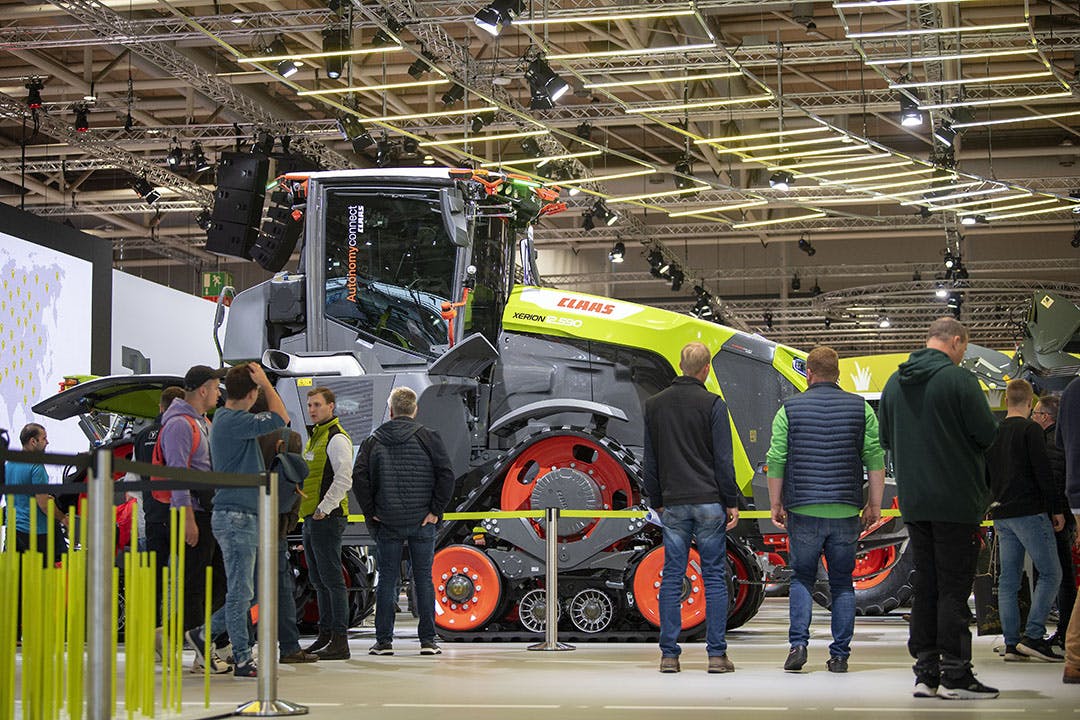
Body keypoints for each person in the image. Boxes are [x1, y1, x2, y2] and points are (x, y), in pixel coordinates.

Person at [877, 317, 999, 700]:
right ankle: (956, 674)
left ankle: (926, 674)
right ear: (957, 342)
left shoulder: (895, 383)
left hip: (915, 501)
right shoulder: (959, 381)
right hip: (956, 500)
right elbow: (987, 434)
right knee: (954, 588)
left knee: (926, 585)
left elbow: (885, 438)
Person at [766, 346, 885, 674]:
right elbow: (875, 458)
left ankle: (798, 645)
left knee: (803, 578)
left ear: (809, 374)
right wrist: (874, 504)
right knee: (843, 583)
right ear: (838, 374)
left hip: (802, 508)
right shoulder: (861, 409)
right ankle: (840, 655)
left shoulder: (788, 409)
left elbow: (776, 458)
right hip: (846, 509)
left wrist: (775, 503)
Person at [186, 362, 310, 677]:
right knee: (242, 592)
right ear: (253, 393)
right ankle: (237, 655)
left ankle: (209, 636)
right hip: (236, 516)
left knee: (245, 591)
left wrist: (262, 384)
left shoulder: (229, 421)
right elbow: (283, 417)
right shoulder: (232, 421)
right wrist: (268, 385)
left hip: (240, 514)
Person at [643, 341, 739, 674]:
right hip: (710, 501)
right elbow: (724, 460)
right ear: (706, 368)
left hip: (674, 503)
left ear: (680, 365)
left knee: (672, 577)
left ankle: (669, 655)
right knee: (713, 577)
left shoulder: (654, 405)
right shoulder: (713, 404)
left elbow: (650, 460)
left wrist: (656, 499)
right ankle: (716, 656)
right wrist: (731, 500)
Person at [353, 386, 454, 657]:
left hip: (387, 521)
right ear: (414, 410)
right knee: (423, 578)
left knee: (388, 579)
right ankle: (428, 640)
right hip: (423, 520)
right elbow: (446, 475)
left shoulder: (373, 440)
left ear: (391, 410)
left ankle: (384, 641)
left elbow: (359, 477)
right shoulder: (429, 438)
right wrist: (435, 510)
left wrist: (372, 510)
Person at [986, 379, 1065, 662]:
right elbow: (1043, 472)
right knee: (1052, 573)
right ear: (1030, 403)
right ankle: (1033, 636)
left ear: (1006, 401)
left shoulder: (993, 432)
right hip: (1030, 511)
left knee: (1008, 580)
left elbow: (986, 475)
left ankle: (1011, 644)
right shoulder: (1032, 430)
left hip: (1001, 514)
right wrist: (1055, 509)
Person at [160, 365, 224, 647]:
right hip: (194, 514)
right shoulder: (178, 425)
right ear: (203, 390)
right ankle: (200, 650)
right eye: (215, 387)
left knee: (214, 582)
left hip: (209, 512)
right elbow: (178, 473)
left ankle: (172, 636)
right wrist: (187, 519)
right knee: (195, 585)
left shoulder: (203, 422)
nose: (218, 393)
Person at [299, 387, 353, 660]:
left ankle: (339, 640)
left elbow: (344, 478)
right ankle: (326, 633)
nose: (312, 409)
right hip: (312, 518)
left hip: (326, 518)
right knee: (319, 580)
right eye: (310, 405)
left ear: (331, 406)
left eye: (317, 404)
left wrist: (323, 508)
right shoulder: (316, 438)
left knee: (332, 581)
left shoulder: (335, 438)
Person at [132, 385, 185, 618]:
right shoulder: (181, 432)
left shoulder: (142, 437)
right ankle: (174, 628)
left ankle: (152, 628)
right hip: (179, 515)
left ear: (160, 406)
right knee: (179, 576)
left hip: (152, 516)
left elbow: (132, 480)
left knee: (155, 576)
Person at [1030, 394, 1075, 649]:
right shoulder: (1062, 439)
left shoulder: (1050, 443)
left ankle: (1065, 629)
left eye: (1035, 414)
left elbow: (1055, 481)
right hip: (1062, 515)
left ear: (1046, 417)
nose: (1033, 418)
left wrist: (1055, 512)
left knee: (1058, 574)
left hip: (1055, 517)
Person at [6, 423, 68, 565]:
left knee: (15, 579)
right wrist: (63, 518)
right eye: (44, 438)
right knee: (40, 580)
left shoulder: (10, 463)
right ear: (33, 441)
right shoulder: (36, 466)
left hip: (13, 530)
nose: (47, 442)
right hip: (34, 534)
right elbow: (44, 504)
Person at [1058, 375, 1080, 683]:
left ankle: (1075, 658)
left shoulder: (1072, 390)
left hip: (1075, 492)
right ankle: (1074, 657)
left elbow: (1060, 443)